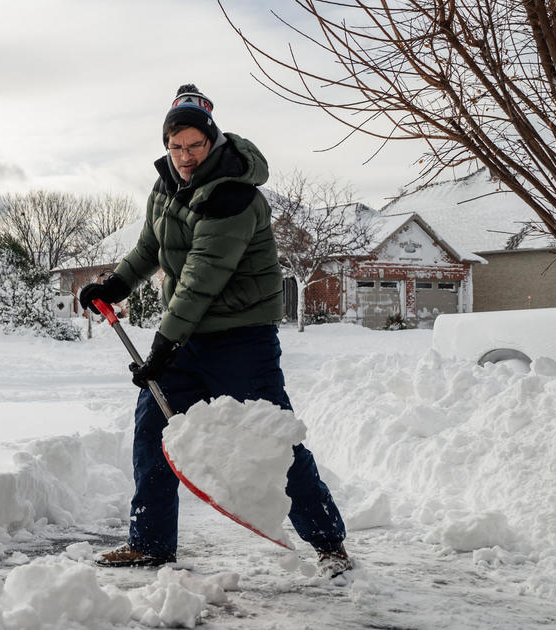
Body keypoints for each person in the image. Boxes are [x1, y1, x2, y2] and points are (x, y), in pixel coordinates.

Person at [78, 84, 352, 577]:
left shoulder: (234, 193)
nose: (184, 156)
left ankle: (330, 543)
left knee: (272, 443)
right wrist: (115, 284)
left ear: (213, 141)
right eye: (175, 146)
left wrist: (163, 343)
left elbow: (203, 275)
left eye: (194, 145)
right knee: (152, 433)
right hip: (185, 338)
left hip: (240, 340)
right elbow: (150, 248)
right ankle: (150, 541)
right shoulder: (165, 187)